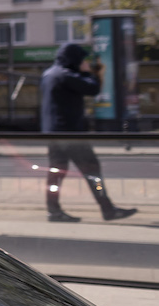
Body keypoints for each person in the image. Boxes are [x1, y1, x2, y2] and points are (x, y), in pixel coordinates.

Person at [40, 42, 136, 223]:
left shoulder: (49, 74)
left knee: (56, 173)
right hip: (71, 134)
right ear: (74, 59)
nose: (84, 62)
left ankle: (54, 211)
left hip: (53, 133)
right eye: (82, 59)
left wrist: (83, 72)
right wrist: (94, 73)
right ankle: (108, 210)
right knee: (93, 172)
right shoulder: (66, 75)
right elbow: (92, 88)